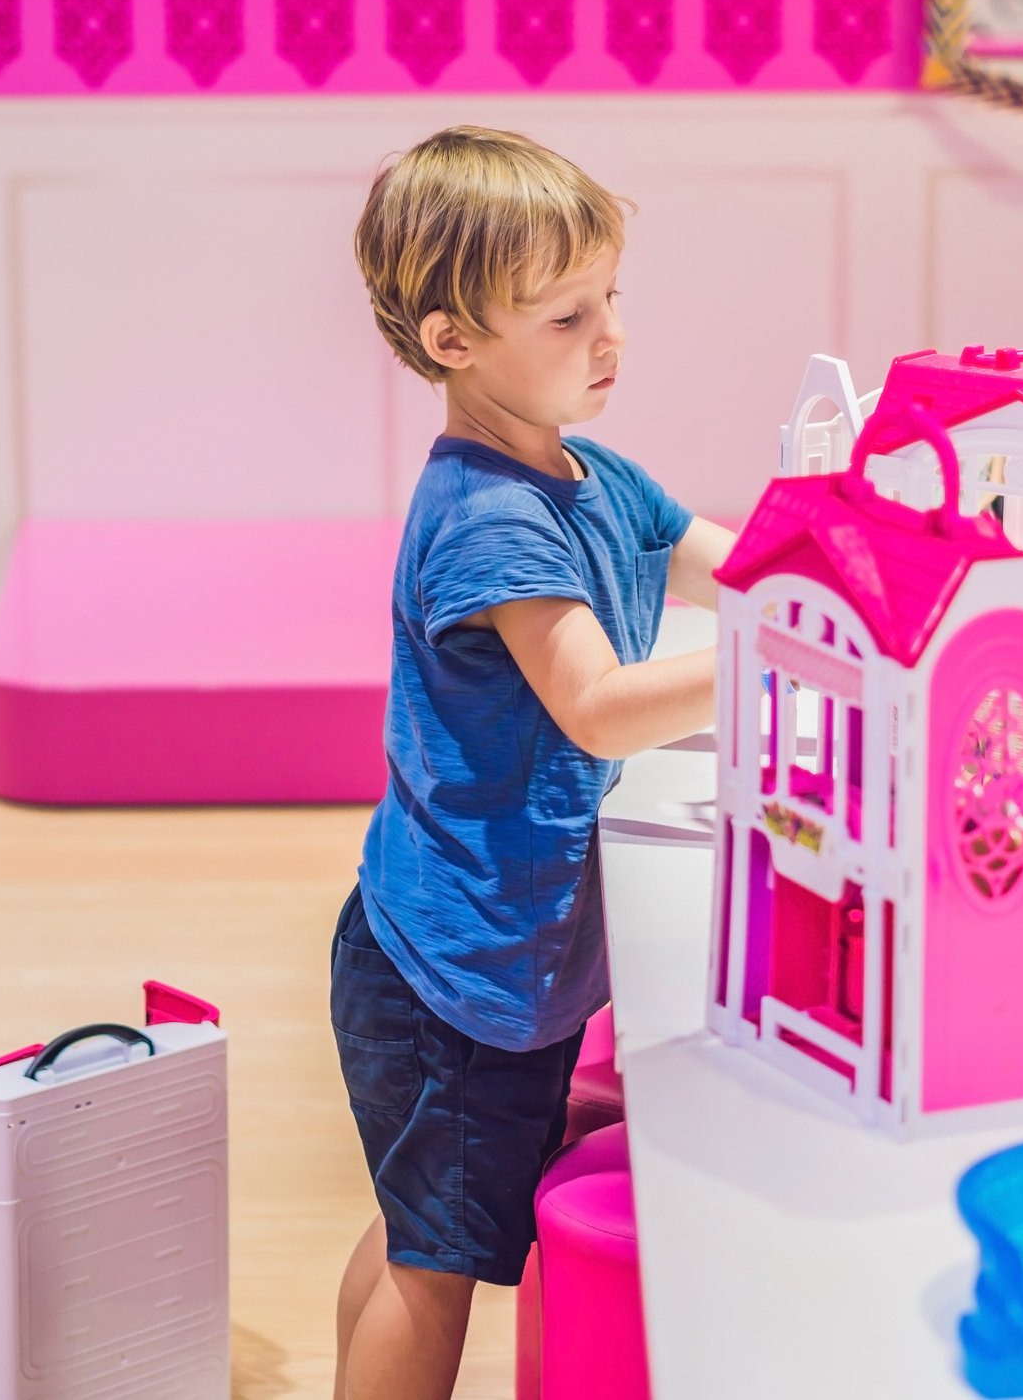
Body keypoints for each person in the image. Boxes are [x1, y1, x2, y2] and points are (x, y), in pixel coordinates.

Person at [330, 124, 735, 1400]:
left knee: (421, 1228)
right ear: (453, 341)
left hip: (478, 951)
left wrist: (857, 554)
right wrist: (795, 644)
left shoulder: (587, 473)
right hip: (457, 976)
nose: (609, 336)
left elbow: (725, 553)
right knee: (436, 1269)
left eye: (610, 298)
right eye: (566, 317)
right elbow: (600, 708)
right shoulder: (491, 518)